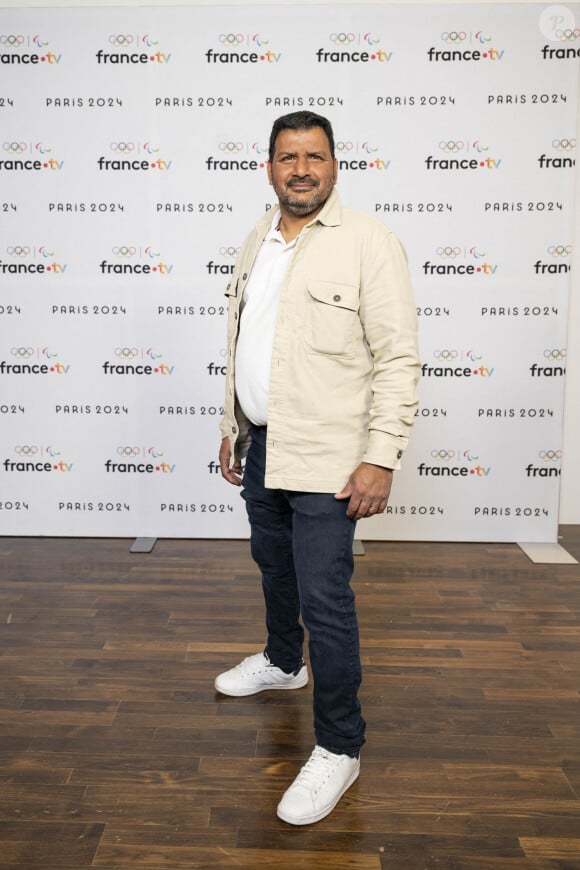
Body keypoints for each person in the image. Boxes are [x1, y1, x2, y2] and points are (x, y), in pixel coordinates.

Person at [216, 111, 420, 825]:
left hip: (332, 459)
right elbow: (250, 341)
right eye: (287, 156)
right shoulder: (258, 239)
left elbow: (397, 358)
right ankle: (282, 662)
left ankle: (340, 745)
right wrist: (233, 425)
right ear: (268, 166)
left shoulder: (370, 243)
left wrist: (379, 457)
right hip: (264, 444)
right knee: (272, 567)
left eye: (314, 156)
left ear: (336, 165)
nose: (300, 168)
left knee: (326, 600)